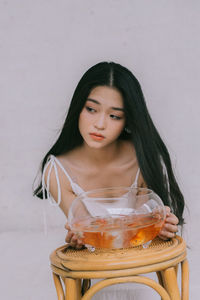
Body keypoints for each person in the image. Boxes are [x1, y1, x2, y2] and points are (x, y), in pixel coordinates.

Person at [33, 61, 184, 249]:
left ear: (127, 120)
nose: (100, 124)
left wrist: (163, 229)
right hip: (95, 270)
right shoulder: (58, 172)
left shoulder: (143, 159)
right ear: (77, 108)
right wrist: (79, 240)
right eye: (91, 109)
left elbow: (140, 236)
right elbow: (88, 234)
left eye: (114, 116)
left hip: (143, 270)